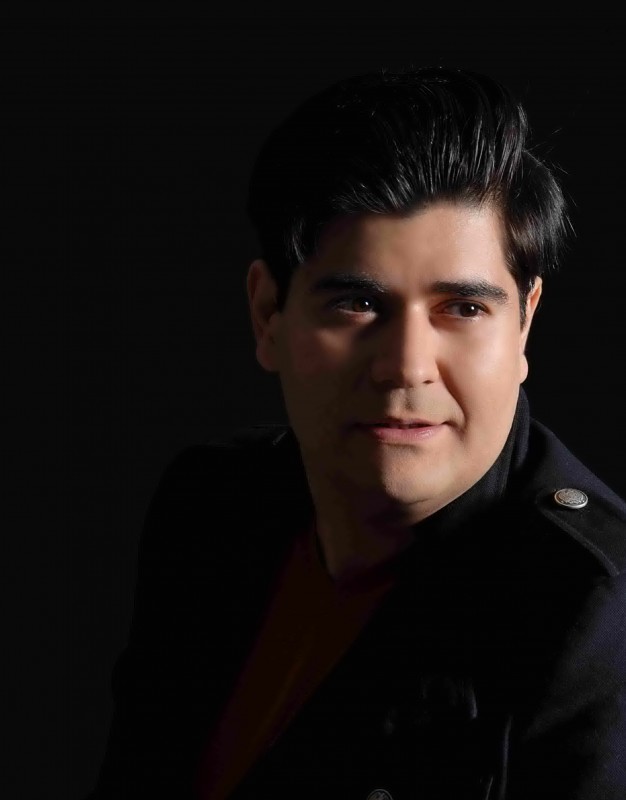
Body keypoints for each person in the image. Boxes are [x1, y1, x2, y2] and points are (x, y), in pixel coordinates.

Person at [87, 66, 626, 799]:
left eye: (464, 309)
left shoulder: (593, 614)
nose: (406, 367)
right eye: (358, 304)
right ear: (268, 315)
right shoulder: (210, 506)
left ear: (524, 324)